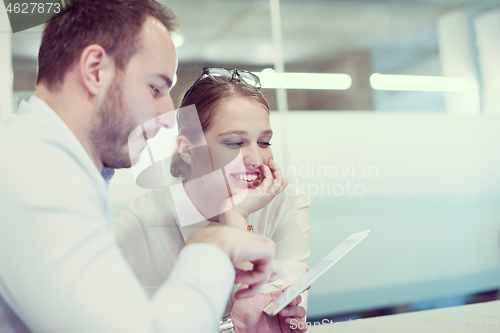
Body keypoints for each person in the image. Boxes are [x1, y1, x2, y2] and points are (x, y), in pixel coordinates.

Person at [0, 1, 282, 332]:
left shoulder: (41, 160)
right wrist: (215, 245)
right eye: (156, 88)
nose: (167, 115)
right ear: (94, 70)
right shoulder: (38, 172)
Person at [114, 67, 311, 332]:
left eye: (264, 142)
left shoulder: (286, 205)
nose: (256, 158)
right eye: (234, 143)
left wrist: (236, 217)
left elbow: (271, 318)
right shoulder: (136, 222)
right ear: (187, 150)